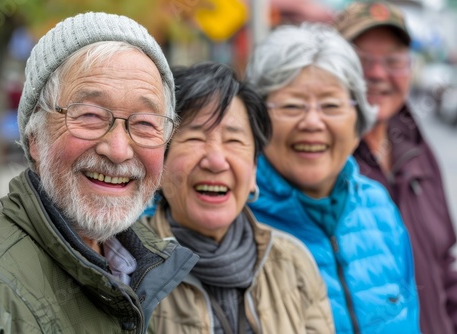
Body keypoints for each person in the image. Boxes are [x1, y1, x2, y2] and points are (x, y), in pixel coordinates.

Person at [0, 12, 198, 333]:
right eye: (90, 115)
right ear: (34, 137)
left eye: (144, 123)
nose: (118, 150)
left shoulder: (147, 264)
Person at [245, 24, 420, 333]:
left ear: (358, 121)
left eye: (331, 105)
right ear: (256, 120)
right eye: (292, 105)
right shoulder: (231, 221)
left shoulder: (379, 204)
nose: (312, 121)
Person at [141, 62, 335, 333]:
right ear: (159, 164)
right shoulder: (129, 268)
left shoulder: (293, 262)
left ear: (254, 170)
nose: (216, 161)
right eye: (195, 138)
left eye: (234, 141)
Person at [334, 2, 457, 333]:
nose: (377, 74)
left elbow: (443, 262)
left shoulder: (414, 144)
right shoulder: (324, 158)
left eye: (393, 62)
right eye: (362, 61)